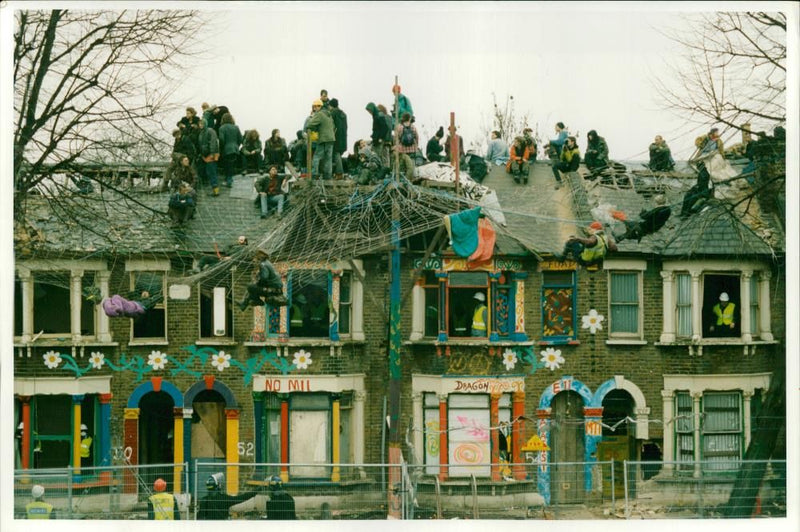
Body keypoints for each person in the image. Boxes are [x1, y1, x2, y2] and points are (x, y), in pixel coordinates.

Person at [306, 99, 335, 180]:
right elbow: (332, 126)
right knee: (328, 158)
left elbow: (310, 124)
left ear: (320, 106)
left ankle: (314, 174)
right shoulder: (329, 114)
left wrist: (311, 128)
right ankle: (327, 176)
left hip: (323, 139)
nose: (314, 109)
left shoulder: (319, 114)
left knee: (316, 157)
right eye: (313, 107)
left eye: (315, 107)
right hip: (331, 139)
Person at [218, 113, 243, 188]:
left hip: (226, 149)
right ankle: (229, 180)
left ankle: (228, 181)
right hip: (235, 149)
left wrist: (222, 148)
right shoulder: (236, 127)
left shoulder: (222, 128)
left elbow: (221, 139)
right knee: (231, 166)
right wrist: (236, 146)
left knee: (227, 166)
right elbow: (241, 139)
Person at [197, 118, 220, 195]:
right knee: (204, 171)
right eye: (199, 124)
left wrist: (212, 153)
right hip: (204, 155)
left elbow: (213, 142)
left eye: (202, 124)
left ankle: (216, 190)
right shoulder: (201, 133)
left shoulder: (210, 131)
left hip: (211, 155)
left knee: (211, 172)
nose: (200, 125)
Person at [393, 112, 418, 180]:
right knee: (411, 166)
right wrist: (416, 146)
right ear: (409, 119)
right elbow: (417, 137)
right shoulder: (413, 126)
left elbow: (396, 138)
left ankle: (403, 179)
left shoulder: (399, 127)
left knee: (403, 166)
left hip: (402, 150)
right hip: (412, 150)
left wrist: (396, 147)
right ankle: (410, 180)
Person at [329, 98, 348, 179]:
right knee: (338, 155)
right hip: (343, 137)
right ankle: (338, 173)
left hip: (336, 137)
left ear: (331, 105)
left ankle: (339, 173)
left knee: (336, 154)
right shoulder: (343, 114)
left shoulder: (333, 113)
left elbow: (331, 126)